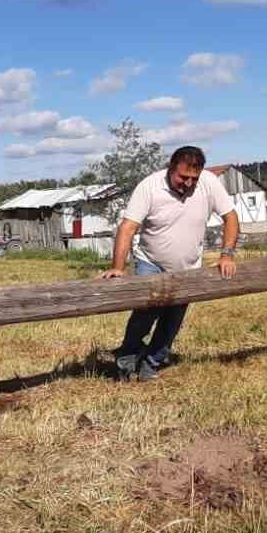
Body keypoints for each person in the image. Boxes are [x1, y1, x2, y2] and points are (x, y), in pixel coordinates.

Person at [97, 146, 239, 381]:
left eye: (194, 178)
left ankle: (151, 363)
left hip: (188, 267)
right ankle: (127, 358)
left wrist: (227, 254)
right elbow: (128, 228)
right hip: (150, 262)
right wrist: (118, 267)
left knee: (173, 319)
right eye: (183, 177)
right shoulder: (149, 187)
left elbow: (230, 217)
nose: (189, 183)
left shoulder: (209, 183)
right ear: (170, 169)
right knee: (145, 313)